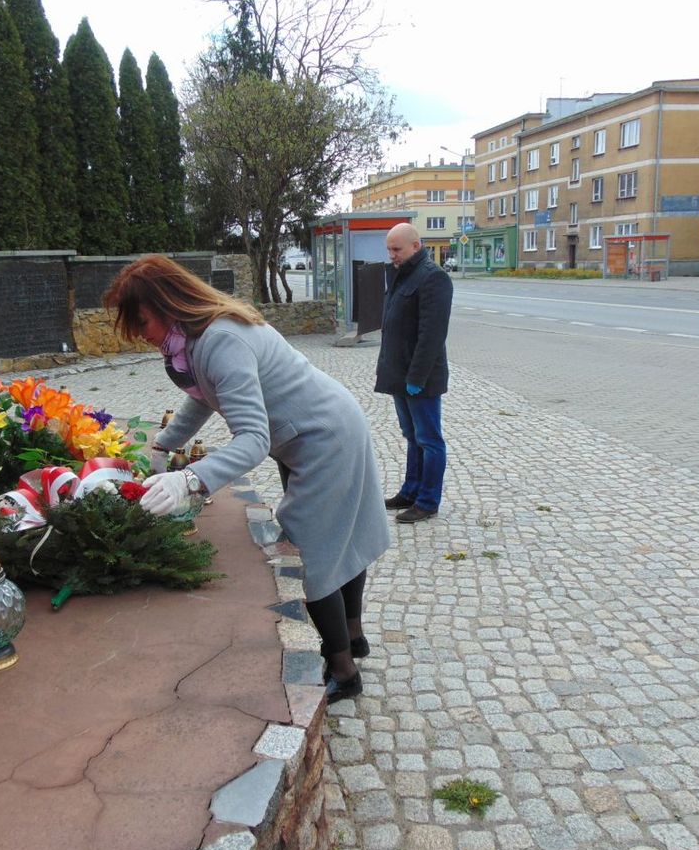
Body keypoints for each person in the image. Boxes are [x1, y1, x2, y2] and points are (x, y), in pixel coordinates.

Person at [103, 255, 390, 703]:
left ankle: (343, 670)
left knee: (310, 551)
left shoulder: (220, 340)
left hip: (323, 437)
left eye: (142, 322)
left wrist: (191, 480)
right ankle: (352, 636)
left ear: (167, 305)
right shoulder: (197, 337)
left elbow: (252, 439)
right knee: (339, 538)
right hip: (312, 430)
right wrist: (163, 445)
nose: (142, 335)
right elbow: (207, 396)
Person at [374, 222, 453, 523]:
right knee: (412, 436)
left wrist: (416, 379)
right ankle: (411, 490)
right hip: (399, 375)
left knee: (430, 440)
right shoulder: (401, 275)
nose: (392, 255)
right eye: (389, 249)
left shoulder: (434, 278)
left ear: (416, 246)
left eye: (397, 249)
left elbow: (432, 335)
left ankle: (428, 501)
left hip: (419, 379)